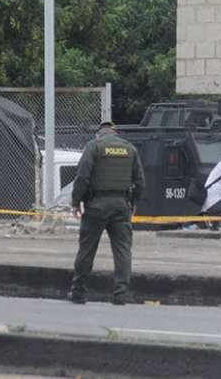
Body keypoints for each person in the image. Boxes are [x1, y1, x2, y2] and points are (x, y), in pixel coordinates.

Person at [67, 121, 145, 306]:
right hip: (121, 205)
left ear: (98, 134)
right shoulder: (130, 149)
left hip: (96, 205)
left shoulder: (94, 147)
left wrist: (76, 202)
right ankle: (121, 294)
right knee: (123, 250)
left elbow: (82, 177)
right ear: (115, 133)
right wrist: (133, 203)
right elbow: (140, 181)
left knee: (87, 250)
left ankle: (78, 292)